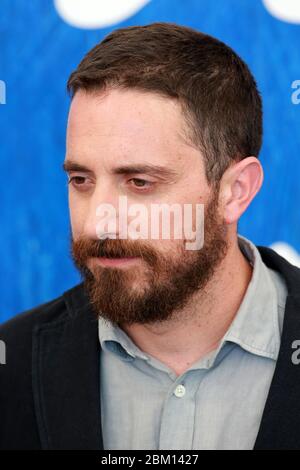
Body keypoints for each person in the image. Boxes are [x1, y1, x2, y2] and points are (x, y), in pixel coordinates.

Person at [1, 22, 300, 451]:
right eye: (81, 180)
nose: (98, 224)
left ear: (236, 191)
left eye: (139, 182)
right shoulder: (11, 362)